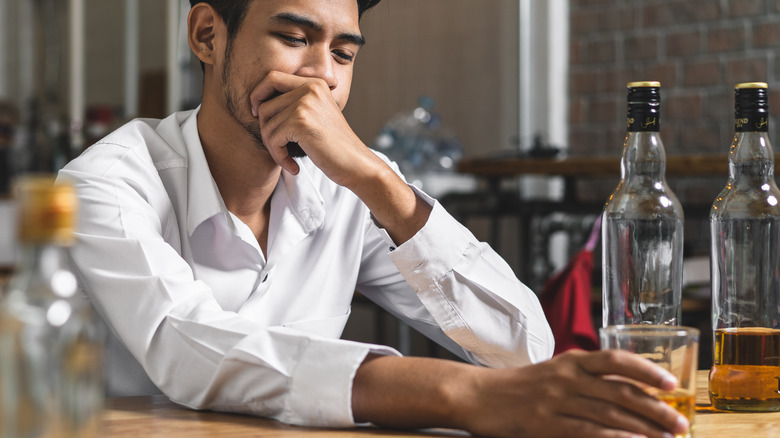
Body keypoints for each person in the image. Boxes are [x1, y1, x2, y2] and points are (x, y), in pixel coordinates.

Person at [57, 1, 689, 437]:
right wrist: (462, 396)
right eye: (295, 39)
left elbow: (524, 350)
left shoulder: (349, 183)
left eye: (344, 54)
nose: (323, 80)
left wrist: (375, 179)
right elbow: (188, 353)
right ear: (207, 36)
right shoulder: (105, 185)